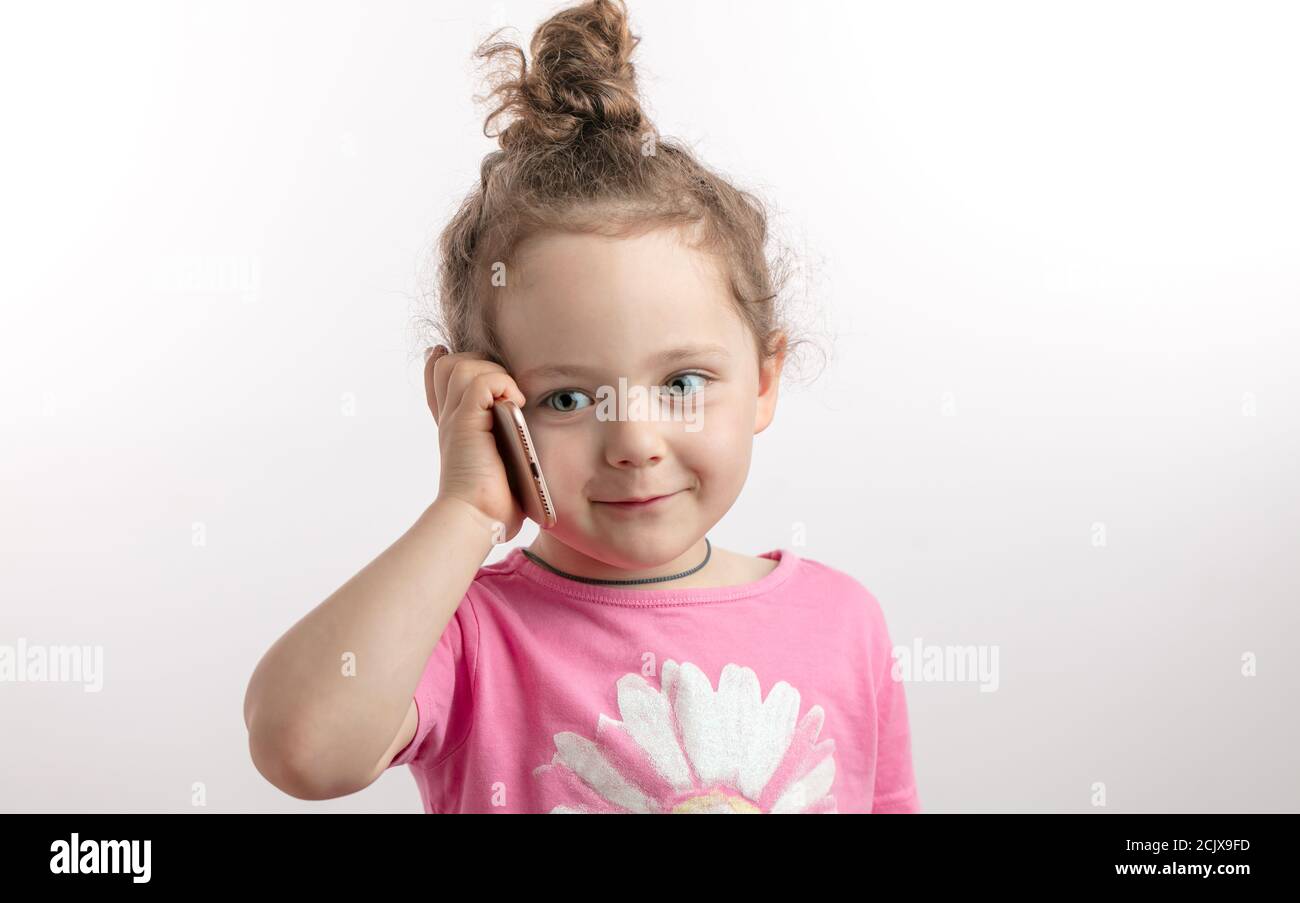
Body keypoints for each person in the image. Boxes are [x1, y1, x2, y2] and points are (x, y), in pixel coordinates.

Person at [244, 0, 920, 814]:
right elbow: (301, 746)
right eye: (567, 397)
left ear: (765, 378)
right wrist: (467, 508)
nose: (634, 440)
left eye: (681, 383)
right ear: (478, 407)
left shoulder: (843, 622)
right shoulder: (469, 635)